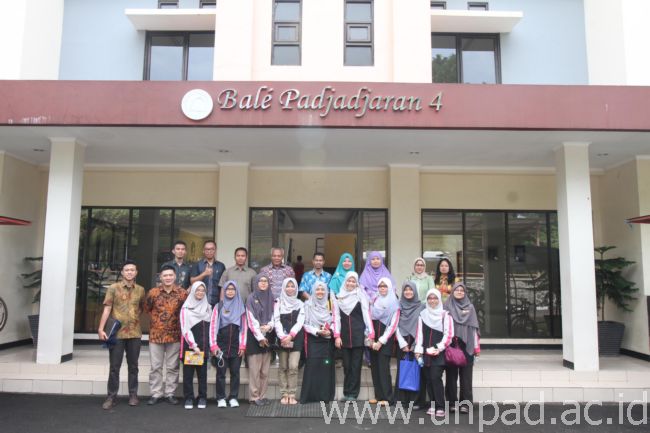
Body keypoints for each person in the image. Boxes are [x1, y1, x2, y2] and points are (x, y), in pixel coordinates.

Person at [97, 260, 145, 410]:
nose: (129, 272)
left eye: (132, 270)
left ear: (136, 273)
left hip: (134, 333)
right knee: (114, 367)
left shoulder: (141, 290)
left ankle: (133, 395)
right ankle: (111, 397)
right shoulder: (113, 288)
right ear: (122, 272)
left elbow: (141, 308)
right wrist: (101, 329)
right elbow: (107, 309)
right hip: (117, 334)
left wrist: (132, 319)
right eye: (127, 270)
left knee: (133, 366)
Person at [145, 264, 188, 406]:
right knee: (155, 366)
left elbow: (186, 312)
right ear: (160, 277)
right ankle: (156, 393)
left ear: (175, 276)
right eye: (165, 275)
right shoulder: (153, 293)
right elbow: (147, 309)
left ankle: (170, 393)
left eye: (170, 275)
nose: (168, 278)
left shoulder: (182, 293)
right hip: (156, 335)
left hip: (175, 335)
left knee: (172, 366)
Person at [334, 271, 374, 402]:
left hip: (358, 335)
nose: (350, 283)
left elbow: (366, 314)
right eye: (349, 281)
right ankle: (347, 392)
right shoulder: (339, 296)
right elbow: (337, 317)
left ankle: (353, 394)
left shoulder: (361, 296)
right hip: (344, 336)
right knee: (346, 366)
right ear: (345, 281)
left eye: (353, 281)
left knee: (356, 366)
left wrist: (370, 332)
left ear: (356, 283)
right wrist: (337, 335)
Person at [414, 288, 454, 418]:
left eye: (435, 298)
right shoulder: (422, 315)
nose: (432, 301)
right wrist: (418, 350)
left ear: (439, 299)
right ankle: (432, 404)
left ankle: (440, 406)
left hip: (439, 353)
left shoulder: (445, 315)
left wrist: (439, 348)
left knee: (435, 377)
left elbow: (449, 335)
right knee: (428, 379)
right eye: (430, 298)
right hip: (426, 352)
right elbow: (419, 335)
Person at [443, 282, 480, 414]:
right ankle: (452, 403)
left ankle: (466, 404)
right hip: (451, 344)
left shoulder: (470, 307)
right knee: (451, 375)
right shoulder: (447, 306)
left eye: (462, 290)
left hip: (467, 344)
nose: (459, 292)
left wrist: (476, 347)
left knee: (466, 376)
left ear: (465, 293)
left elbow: (474, 328)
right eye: (457, 290)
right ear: (452, 291)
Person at [209, 280, 247, 408]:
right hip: (221, 346)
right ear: (224, 291)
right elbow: (213, 326)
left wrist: (242, 345)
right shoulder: (218, 306)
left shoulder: (241, 307)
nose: (230, 292)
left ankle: (233, 397)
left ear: (236, 291)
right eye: (228, 289)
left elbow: (244, 328)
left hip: (236, 346)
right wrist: (213, 345)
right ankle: (221, 398)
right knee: (221, 373)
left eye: (233, 289)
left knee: (235, 373)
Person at [299, 281, 336, 404]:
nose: (320, 292)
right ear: (313, 291)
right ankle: (309, 396)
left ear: (326, 291)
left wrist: (330, 331)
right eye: (317, 289)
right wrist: (317, 331)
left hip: (327, 340)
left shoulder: (331, 304)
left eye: (323, 289)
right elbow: (305, 324)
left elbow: (336, 320)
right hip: (313, 339)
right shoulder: (308, 305)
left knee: (326, 366)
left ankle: (324, 396)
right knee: (312, 366)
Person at [394, 281, 426, 410]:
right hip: (402, 341)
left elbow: (423, 326)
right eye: (406, 290)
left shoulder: (421, 306)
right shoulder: (398, 305)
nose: (408, 292)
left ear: (415, 291)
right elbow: (394, 324)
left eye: (410, 289)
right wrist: (402, 343)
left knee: (416, 370)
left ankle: (416, 401)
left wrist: (416, 345)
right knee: (403, 369)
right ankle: (402, 400)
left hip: (416, 341)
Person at [180, 281, 212, 410]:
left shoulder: (208, 307)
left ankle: (202, 397)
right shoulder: (186, 308)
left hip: (204, 346)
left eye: (202, 290)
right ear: (193, 291)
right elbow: (185, 329)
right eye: (197, 290)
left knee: (202, 375)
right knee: (188, 374)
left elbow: (211, 328)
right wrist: (194, 345)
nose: (200, 293)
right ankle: (189, 397)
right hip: (191, 347)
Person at [368, 277, 400, 406]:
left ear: (389, 287)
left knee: (383, 368)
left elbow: (393, 325)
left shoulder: (394, 303)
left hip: (385, 340)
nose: (382, 288)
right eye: (380, 286)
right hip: (373, 338)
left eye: (385, 286)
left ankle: (387, 398)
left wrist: (381, 341)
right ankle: (378, 395)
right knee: (374, 367)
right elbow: (369, 319)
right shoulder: (375, 300)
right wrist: (370, 337)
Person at [273, 277, 305, 405]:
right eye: (288, 286)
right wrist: (282, 336)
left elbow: (300, 321)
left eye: (293, 286)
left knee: (293, 366)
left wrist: (291, 336)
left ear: (296, 288)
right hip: (282, 339)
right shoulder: (278, 302)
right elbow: (276, 320)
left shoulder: (300, 304)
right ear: (284, 288)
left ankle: (292, 393)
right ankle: (284, 393)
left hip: (296, 338)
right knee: (283, 366)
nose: (290, 289)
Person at [245, 275, 275, 406]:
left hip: (268, 335)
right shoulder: (251, 298)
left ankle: (263, 395)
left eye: (265, 281)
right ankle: (254, 396)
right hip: (255, 337)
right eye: (260, 281)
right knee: (255, 370)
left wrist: (269, 326)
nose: (263, 283)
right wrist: (260, 337)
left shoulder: (271, 297)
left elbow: (275, 316)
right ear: (256, 283)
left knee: (265, 370)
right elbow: (251, 320)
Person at [190, 240, 226, 306]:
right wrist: (204, 274)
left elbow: (223, 285)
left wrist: (222, 301)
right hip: (199, 301)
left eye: (212, 249)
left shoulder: (221, 266)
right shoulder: (197, 264)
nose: (209, 251)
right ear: (203, 250)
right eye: (207, 249)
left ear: (215, 250)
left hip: (216, 302)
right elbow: (192, 281)